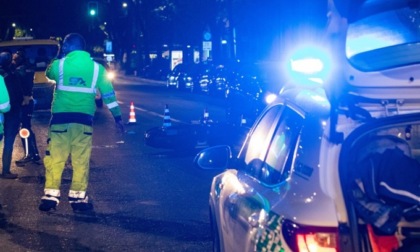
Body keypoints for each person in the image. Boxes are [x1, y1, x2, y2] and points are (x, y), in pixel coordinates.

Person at [39, 33, 125, 212]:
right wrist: (117, 117)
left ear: (69, 46)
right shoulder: (97, 69)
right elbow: (109, 94)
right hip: (83, 121)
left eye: (64, 45)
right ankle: (78, 199)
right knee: (80, 160)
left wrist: (57, 56)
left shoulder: (59, 65)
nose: (63, 47)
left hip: (60, 121)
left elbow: (48, 73)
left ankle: (50, 197)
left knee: (55, 159)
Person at [11, 50, 41, 166]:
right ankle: (34, 154)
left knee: (24, 129)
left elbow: (21, 86)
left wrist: (25, 97)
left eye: (15, 59)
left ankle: (29, 154)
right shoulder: (27, 68)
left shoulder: (20, 70)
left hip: (24, 102)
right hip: (27, 101)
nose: (13, 61)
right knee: (26, 127)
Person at [0, 51, 24, 179]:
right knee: (8, 142)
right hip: (11, 112)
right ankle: (6, 171)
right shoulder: (13, 75)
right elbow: (18, 94)